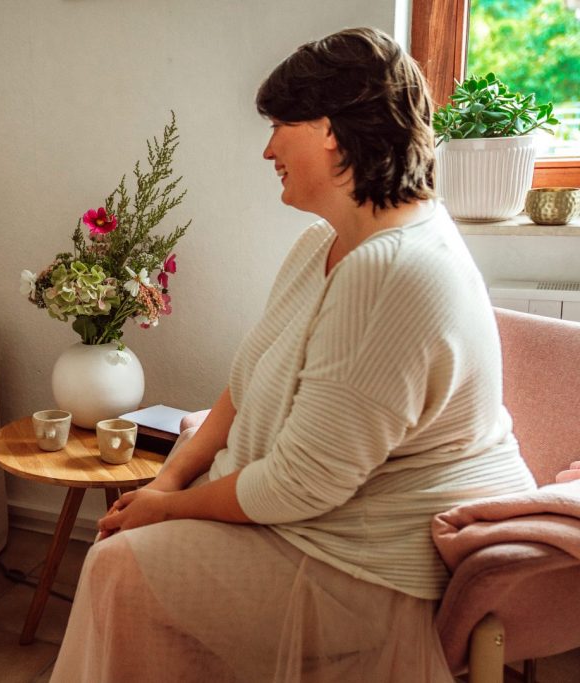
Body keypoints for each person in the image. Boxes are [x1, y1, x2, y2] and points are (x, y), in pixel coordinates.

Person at [50, 27, 537, 682]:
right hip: (322, 519)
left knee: (118, 566)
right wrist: (164, 482)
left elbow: (299, 484)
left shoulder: (393, 270)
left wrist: (168, 506)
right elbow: (244, 384)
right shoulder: (321, 245)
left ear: (330, 130)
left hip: (370, 566)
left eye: (280, 125)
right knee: (134, 542)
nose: (267, 149)